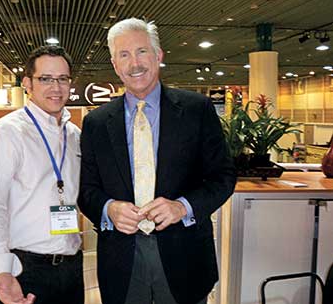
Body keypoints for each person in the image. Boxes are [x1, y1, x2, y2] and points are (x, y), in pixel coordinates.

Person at [78, 18, 237, 304]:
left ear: (159, 55)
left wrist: (182, 207)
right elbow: (87, 190)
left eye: (141, 51)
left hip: (185, 256)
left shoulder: (196, 110)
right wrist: (108, 209)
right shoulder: (96, 123)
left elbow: (223, 177)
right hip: (122, 261)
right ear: (115, 65)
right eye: (123, 55)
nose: (134, 63)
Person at [0, 46, 84, 304]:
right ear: (27, 83)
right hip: (23, 268)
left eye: (63, 79)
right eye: (45, 79)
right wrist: (2, 270)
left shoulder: (74, 135)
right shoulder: (7, 133)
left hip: (71, 267)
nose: (55, 87)